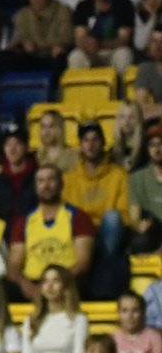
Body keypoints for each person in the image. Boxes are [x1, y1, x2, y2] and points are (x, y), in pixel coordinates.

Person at [62, 121, 130, 299]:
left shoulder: (119, 175)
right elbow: (65, 214)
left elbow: (125, 213)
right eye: (86, 140)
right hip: (80, 235)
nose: (90, 145)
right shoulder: (69, 179)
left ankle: (102, 273)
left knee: (113, 217)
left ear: (103, 143)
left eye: (95, 139)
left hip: (106, 234)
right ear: (80, 145)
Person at [7, 165, 95, 302]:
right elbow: (13, 265)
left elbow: (83, 262)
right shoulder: (23, 222)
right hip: (33, 282)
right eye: (41, 181)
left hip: (66, 280)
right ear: (35, 186)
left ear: (61, 184)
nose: (46, 185)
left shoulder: (78, 217)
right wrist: (25, 284)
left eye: (51, 180)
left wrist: (55, 283)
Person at [17, 265, 89, 353]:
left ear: (65, 286)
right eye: (45, 281)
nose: (49, 286)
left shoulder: (78, 319)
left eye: (56, 281)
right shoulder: (31, 320)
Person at [69, 0, 136, 75]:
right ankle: (82, 86)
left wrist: (100, 44)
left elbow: (123, 39)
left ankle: (121, 86)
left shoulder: (123, 4)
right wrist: (87, 45)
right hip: (91, 52)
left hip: (114, 50)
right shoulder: (83, 6)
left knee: (124, 55)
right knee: (75, 57)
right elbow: (79, 37)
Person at [129, 125, 162, 254]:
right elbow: (134, 216)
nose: (157, 149)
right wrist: (139, 225)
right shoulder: (137, 178)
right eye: (152, 145)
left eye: (160, 144)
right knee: (139, 241)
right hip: (154, 232)